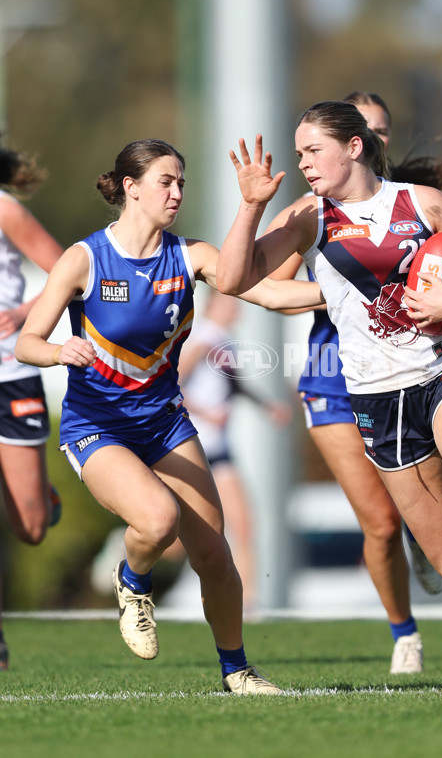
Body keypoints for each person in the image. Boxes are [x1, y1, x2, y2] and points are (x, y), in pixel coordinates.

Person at [216, 103, 442, 695]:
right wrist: (252, 204)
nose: (302, 162)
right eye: (300, 152)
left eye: (312, 150)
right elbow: (234, 279)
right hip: (377, 398)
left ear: (353, 147)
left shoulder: (421, 204)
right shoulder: (310, 216)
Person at [15, 138, 322, 695]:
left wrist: (355, 295)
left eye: (181, 181)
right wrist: (60, 351)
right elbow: (27, 343)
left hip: (165, 425)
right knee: (157, 520)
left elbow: (260, 291)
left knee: (214, 553)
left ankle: (238, 673)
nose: (177, 192)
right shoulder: (85, 258)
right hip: (97, 427)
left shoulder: (188, 255)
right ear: (131, 188)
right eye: (165, 181)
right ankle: (133, 582)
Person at [268, 91, 442, 675]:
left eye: (384, 128)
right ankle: (405, 633)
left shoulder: (410, 203)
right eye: (367, 126)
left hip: (411, 367)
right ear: (350, 138)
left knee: (435, 497)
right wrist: (335, 293)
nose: (377, 136)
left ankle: (438, 541)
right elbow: (270, 287)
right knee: (378, 520)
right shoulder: (317, 206)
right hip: (334, 376)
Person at [174, 288, 292, 610]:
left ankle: (248, 603)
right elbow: (173, 386)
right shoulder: (202, 339)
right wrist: (206, 412)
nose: (236, 312)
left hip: (221, 449)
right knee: (175, 533)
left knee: (243, 524)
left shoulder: (225, 341)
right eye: (230, 305)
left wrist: (267, 407)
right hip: (195, 447)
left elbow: (234, 384)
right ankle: (124, 554)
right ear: (214, 305)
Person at [0, 138, 64, 671]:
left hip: (12, 374)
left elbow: (65, 272)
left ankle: (40, 494)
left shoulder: (6, 211)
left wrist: (23, 313)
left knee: (31, 528)